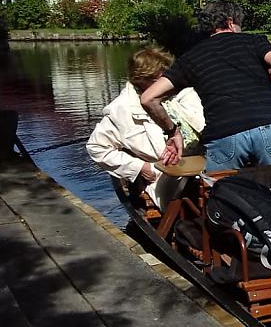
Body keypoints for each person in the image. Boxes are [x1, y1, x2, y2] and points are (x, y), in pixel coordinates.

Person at [139, 0, 271, 171]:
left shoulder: (190, 58)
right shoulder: (254, 41)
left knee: (225, 192)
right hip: (267, 127)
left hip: (224, 135)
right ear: (230, 22)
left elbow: (148, 98)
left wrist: (173, 131)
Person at [87, 48, 205, 208]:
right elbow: (96, 147)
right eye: (160, 77)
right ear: (142, 79)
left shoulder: (185, 92)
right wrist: (141, 168)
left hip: (206, 165)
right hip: (166, 177)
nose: (167, 81)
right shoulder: (121, 109)